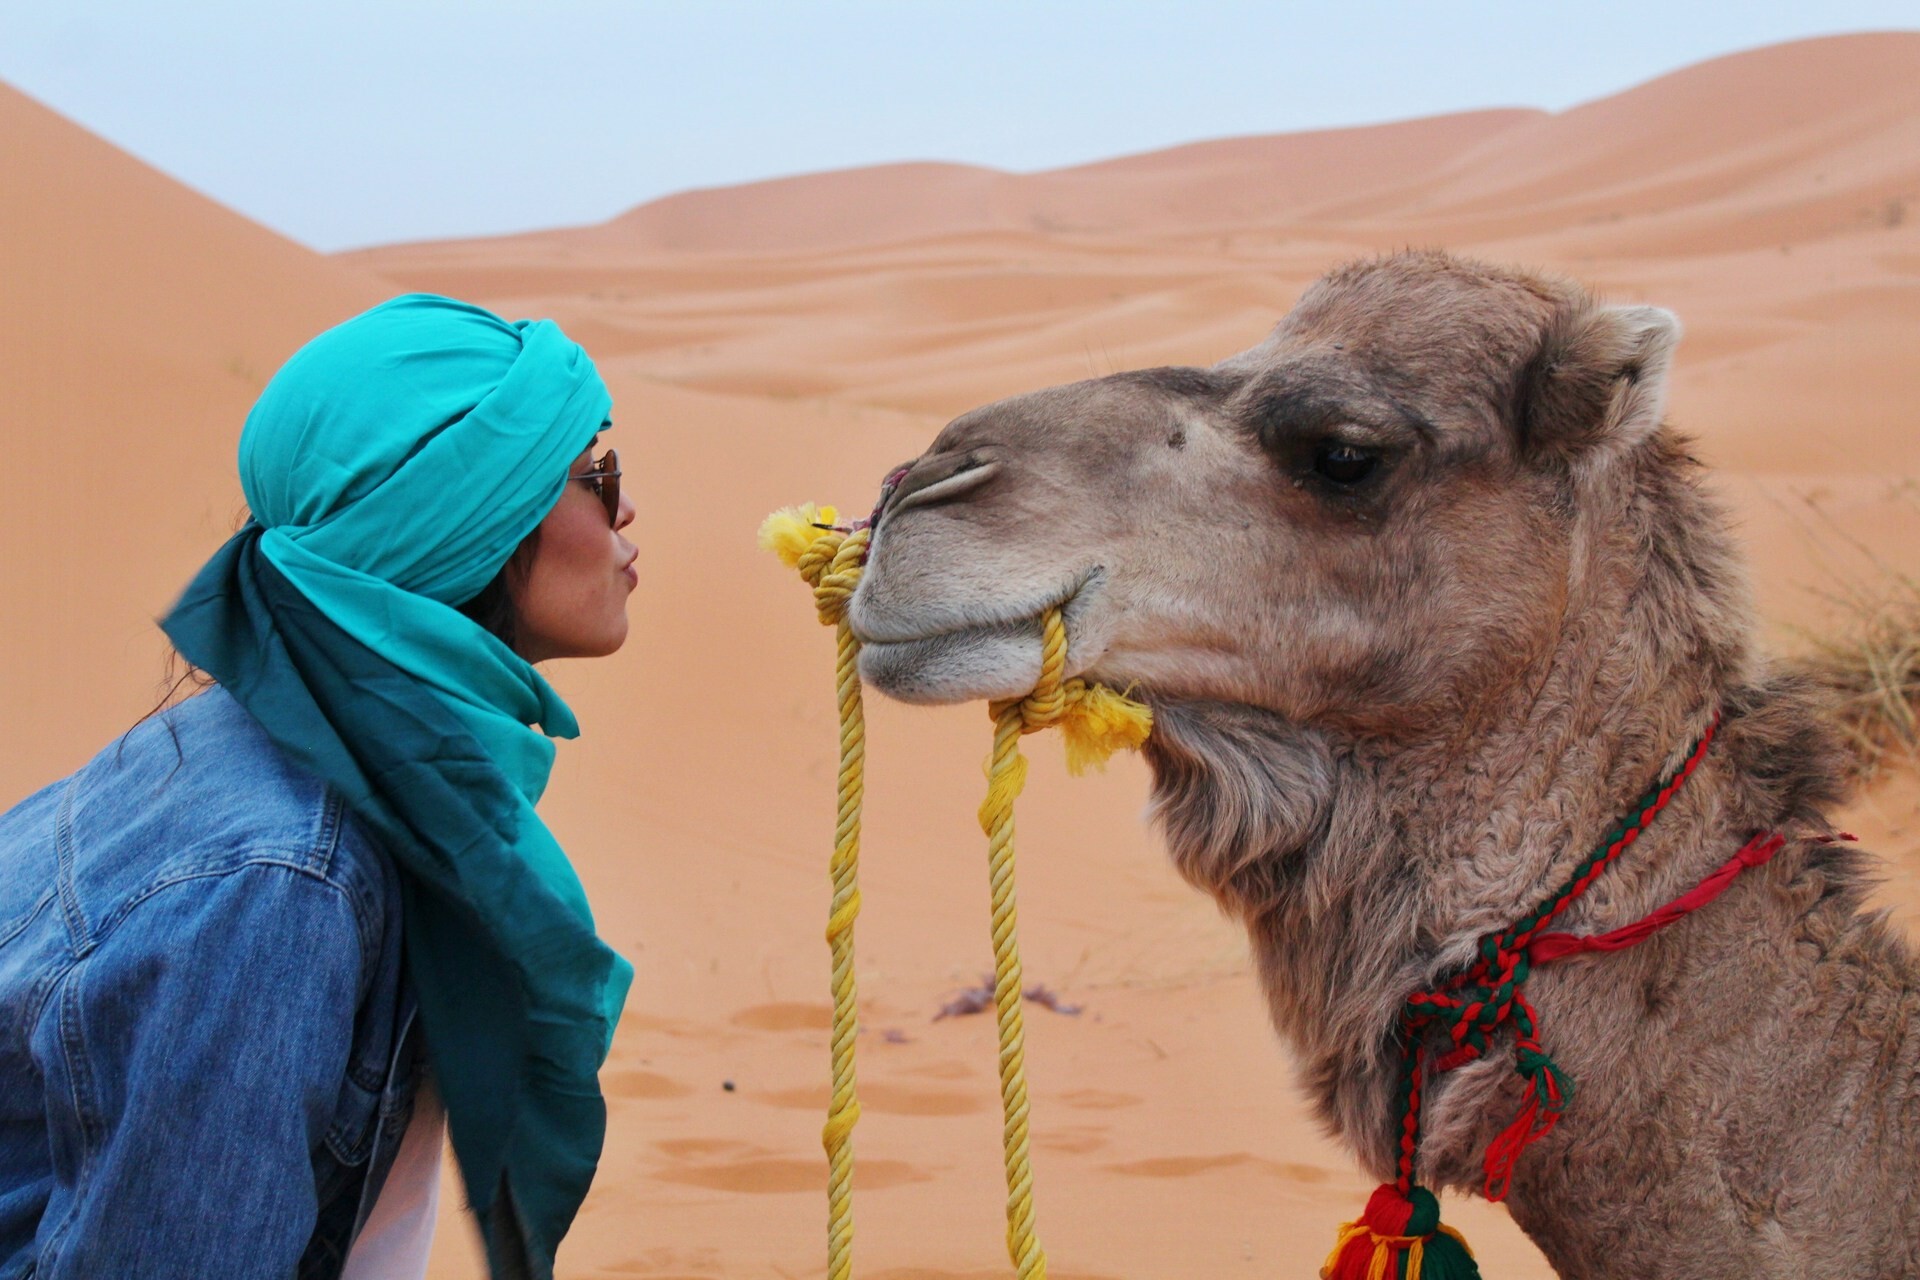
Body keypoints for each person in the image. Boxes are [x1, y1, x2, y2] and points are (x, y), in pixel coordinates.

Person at [0, 295, 638, 1280]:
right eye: (595, 475)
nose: (624, 509)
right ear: (466, 523)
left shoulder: (303, 747)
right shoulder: (280, 883)